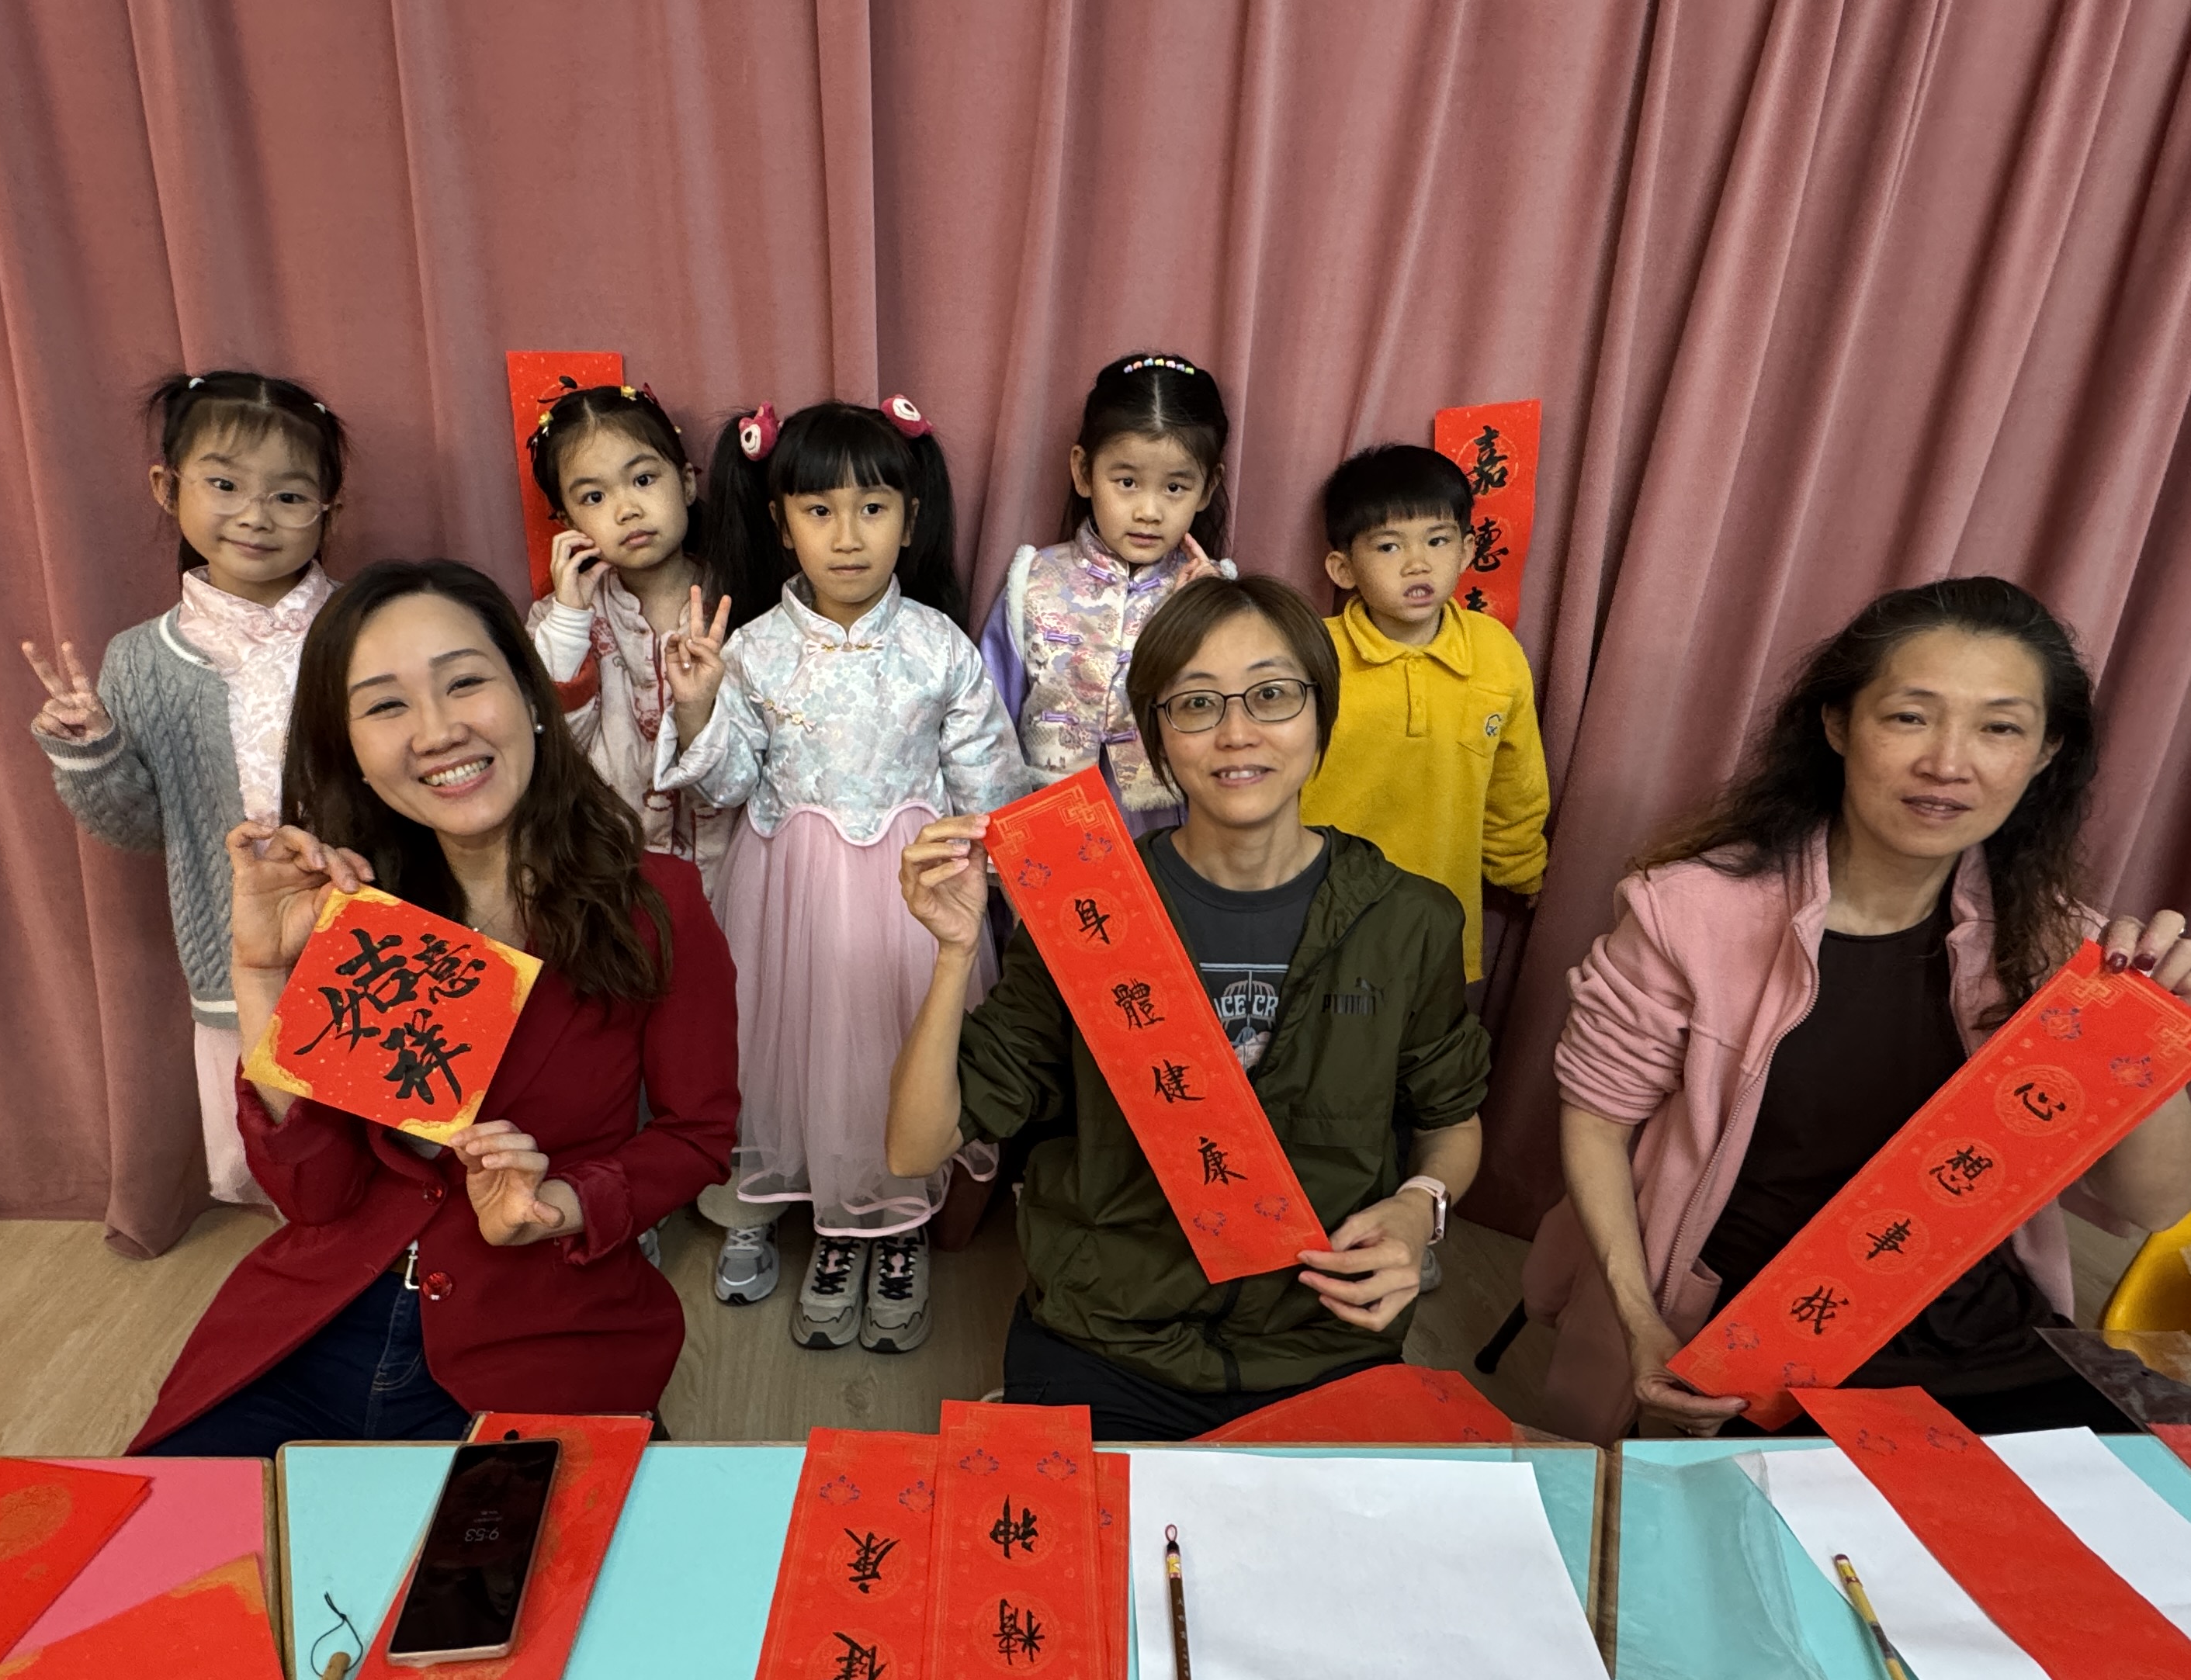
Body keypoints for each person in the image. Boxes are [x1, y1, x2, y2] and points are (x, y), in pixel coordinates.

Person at [1520, 576, 2191, 1442]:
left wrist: (2146, 1036)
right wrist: (1641, 1319)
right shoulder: (1689, 913)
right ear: (1838, 724)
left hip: (1982, 1330)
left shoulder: (2062, 947)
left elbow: (2156, 1203)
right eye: (1910, 716)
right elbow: (1598, 1123)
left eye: (1999, 728)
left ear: (2046, 754)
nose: (1948, 763)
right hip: (1754, 1340)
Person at [130, 560, 738, 1457]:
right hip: (319, 1324)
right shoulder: (359, 913)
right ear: (350, 751)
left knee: (520, 1550)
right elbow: (314, 1194)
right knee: (180, 1532)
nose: (438, 730)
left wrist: (560, 1203)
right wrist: (260, 973)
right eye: (385, 705)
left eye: (464, 683)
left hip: (540, 1334)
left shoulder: (657, 902)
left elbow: (697, 1137)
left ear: (530, 694)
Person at [884, 573, 1491, 1441]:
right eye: (1198, 704)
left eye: (1272, 696)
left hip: (1322, 1338)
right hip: (1107, 1334)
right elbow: (914, 1147)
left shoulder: (1409, 920)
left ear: (1322, 714)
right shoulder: (1090, 910)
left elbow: (1450, 1120)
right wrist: (953, 952)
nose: (1237, 733)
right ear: (1158, 737)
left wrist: (1419, 1206)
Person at [654, 396, 1028, 1356]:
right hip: (786, 896)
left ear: (911, 518)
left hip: (915, 897)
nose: (848, 535)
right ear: (782, 524)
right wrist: (697, 708)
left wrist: (998, 880)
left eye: (873, 508)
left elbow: (989, 786)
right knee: (793, 1051)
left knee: (900, 1045)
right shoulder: (753, 649)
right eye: (819, 510)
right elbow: (728, 786)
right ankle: (822, 1220)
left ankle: (895, 1227)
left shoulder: (940, 648)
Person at [26, 370, 346, 1211]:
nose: (255, 515)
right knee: (289, 1151)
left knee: (404, 1129)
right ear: (168, 488)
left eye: (288, 495)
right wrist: (92, 751)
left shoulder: (365, 628)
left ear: (327, 510)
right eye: (225, 484)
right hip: (236, 947)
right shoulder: (141, 659)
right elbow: (139, 829)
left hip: (374, 932)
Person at [1297, 443, 1549, 988]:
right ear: (1343, 568)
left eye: (1437, 540)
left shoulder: (1496, 652)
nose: (1418, 563)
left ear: (1467, 550)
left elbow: (1516, 782)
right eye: (1389, 546)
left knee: (1425, 1041)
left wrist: (1524, 870)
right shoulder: (1310, 653)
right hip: (1318, 928)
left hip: (1440, 932)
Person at [977, 352, 1236, 830]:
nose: (1149, 511)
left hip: (1173, 828)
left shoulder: (1217, 594)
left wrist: (1212, 614)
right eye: (1127, 482)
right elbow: (989, 722)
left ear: (1207, 487)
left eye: (1175, 488)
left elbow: (1234, 722)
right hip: (1049, 823)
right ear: (1084, 471)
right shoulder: (1032, 583)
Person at [522, 381, 737, 883]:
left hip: (730, 871)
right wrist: (570, 617)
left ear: (686, 483)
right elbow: (549, 747)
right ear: (567, 521)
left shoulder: (737, 601)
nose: (626, 510)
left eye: (643, 479)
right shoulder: (555, 620)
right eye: (594, 496)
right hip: (611, 875)